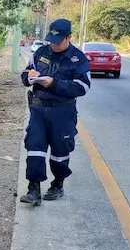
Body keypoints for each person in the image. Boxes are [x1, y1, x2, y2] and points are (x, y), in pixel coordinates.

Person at [19, 19, 91, 206]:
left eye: (58, 40)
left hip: (63, 112)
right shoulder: (41, 53)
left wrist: (54, 83)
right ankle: (33, 189)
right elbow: (25, 74)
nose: (54, 44)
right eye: (51, 39)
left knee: (60, 151)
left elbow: (82, 87)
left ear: (69, 37)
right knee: (34, 147)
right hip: (38, 109)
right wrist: (29, 76)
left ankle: (58, 184)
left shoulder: (78, 58)